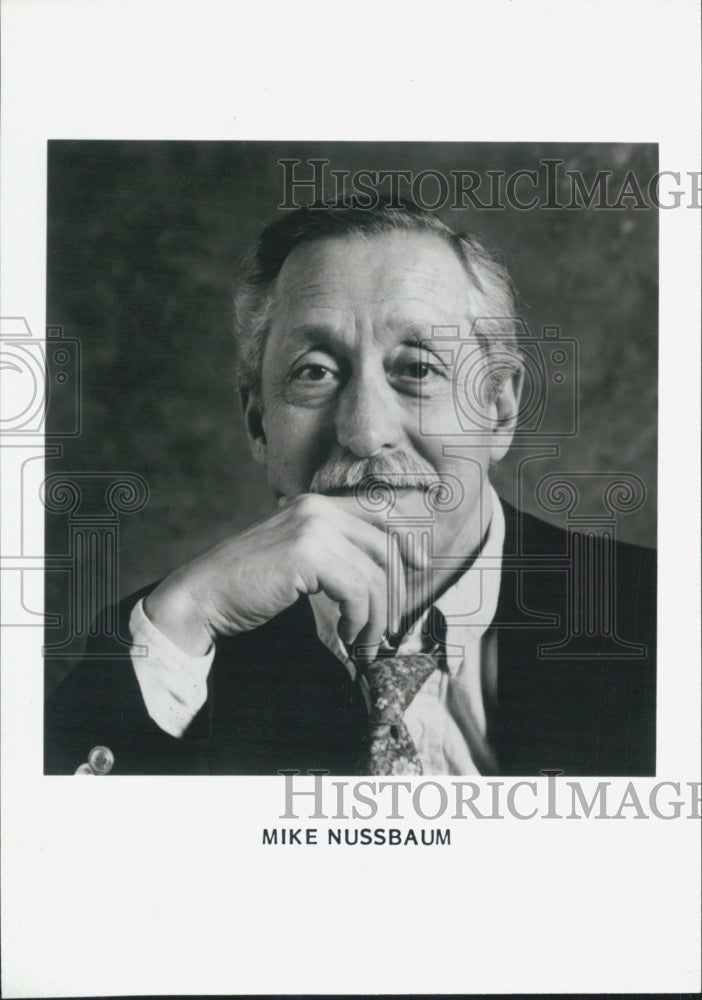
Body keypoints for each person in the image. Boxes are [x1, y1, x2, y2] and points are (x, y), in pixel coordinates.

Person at [45, 200, 656, 777]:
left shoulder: (663, 619)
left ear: (497, 408)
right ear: (259, 425)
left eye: (418, 368)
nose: (364, 432)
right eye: (315, 373)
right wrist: (187, 617)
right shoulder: (169, 644)